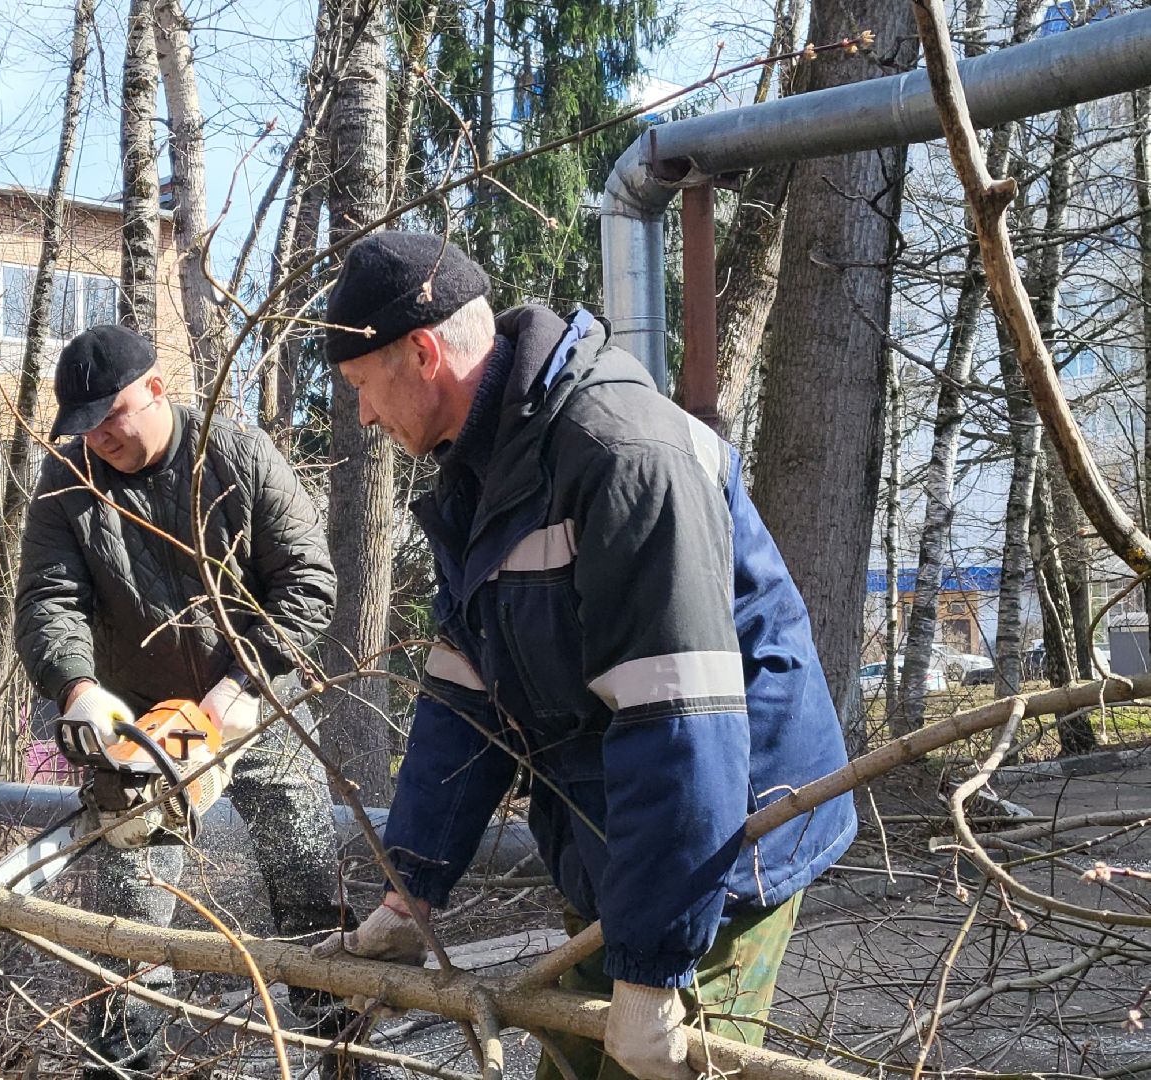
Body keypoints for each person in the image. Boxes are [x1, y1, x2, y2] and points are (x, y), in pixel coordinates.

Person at [312, 233, 858, 1080]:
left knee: (658, 1062)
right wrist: (409, 890)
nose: (363, 417)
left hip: (727, 835)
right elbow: (464, 699)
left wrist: (652, 969)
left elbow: (682, 722)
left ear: (421, 353)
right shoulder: (482, 471)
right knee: (572, 1064)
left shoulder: (620, 454)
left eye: (360, 387)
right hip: (612, 821)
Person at [16, 324, 352, 1079]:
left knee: (307, 895)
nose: (100, 436)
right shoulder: (69, 480)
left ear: (158, 390)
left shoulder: (233, 456)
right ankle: (123, 1062)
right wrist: (77, 685)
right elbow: (47, 597)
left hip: (254, 706)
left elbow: (307, 584)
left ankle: (348, 1053)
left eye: (114, 415)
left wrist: (241, 685)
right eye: (86, 424)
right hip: (140, 723)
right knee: (130, 917)